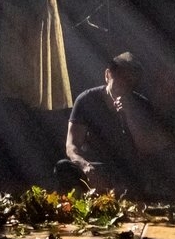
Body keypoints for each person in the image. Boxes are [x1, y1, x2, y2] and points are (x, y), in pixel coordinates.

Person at [55, 52, 167, 193]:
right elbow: (71, 146)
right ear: (107, 75)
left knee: (149, 170)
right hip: (95, 165)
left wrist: (129, 114)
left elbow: (145, 147)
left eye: (129, 81)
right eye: (120, 79)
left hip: (127, 168)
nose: (124, 85)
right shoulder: (87, 100)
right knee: (64, 167)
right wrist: (85, 166)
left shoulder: (142, 104)